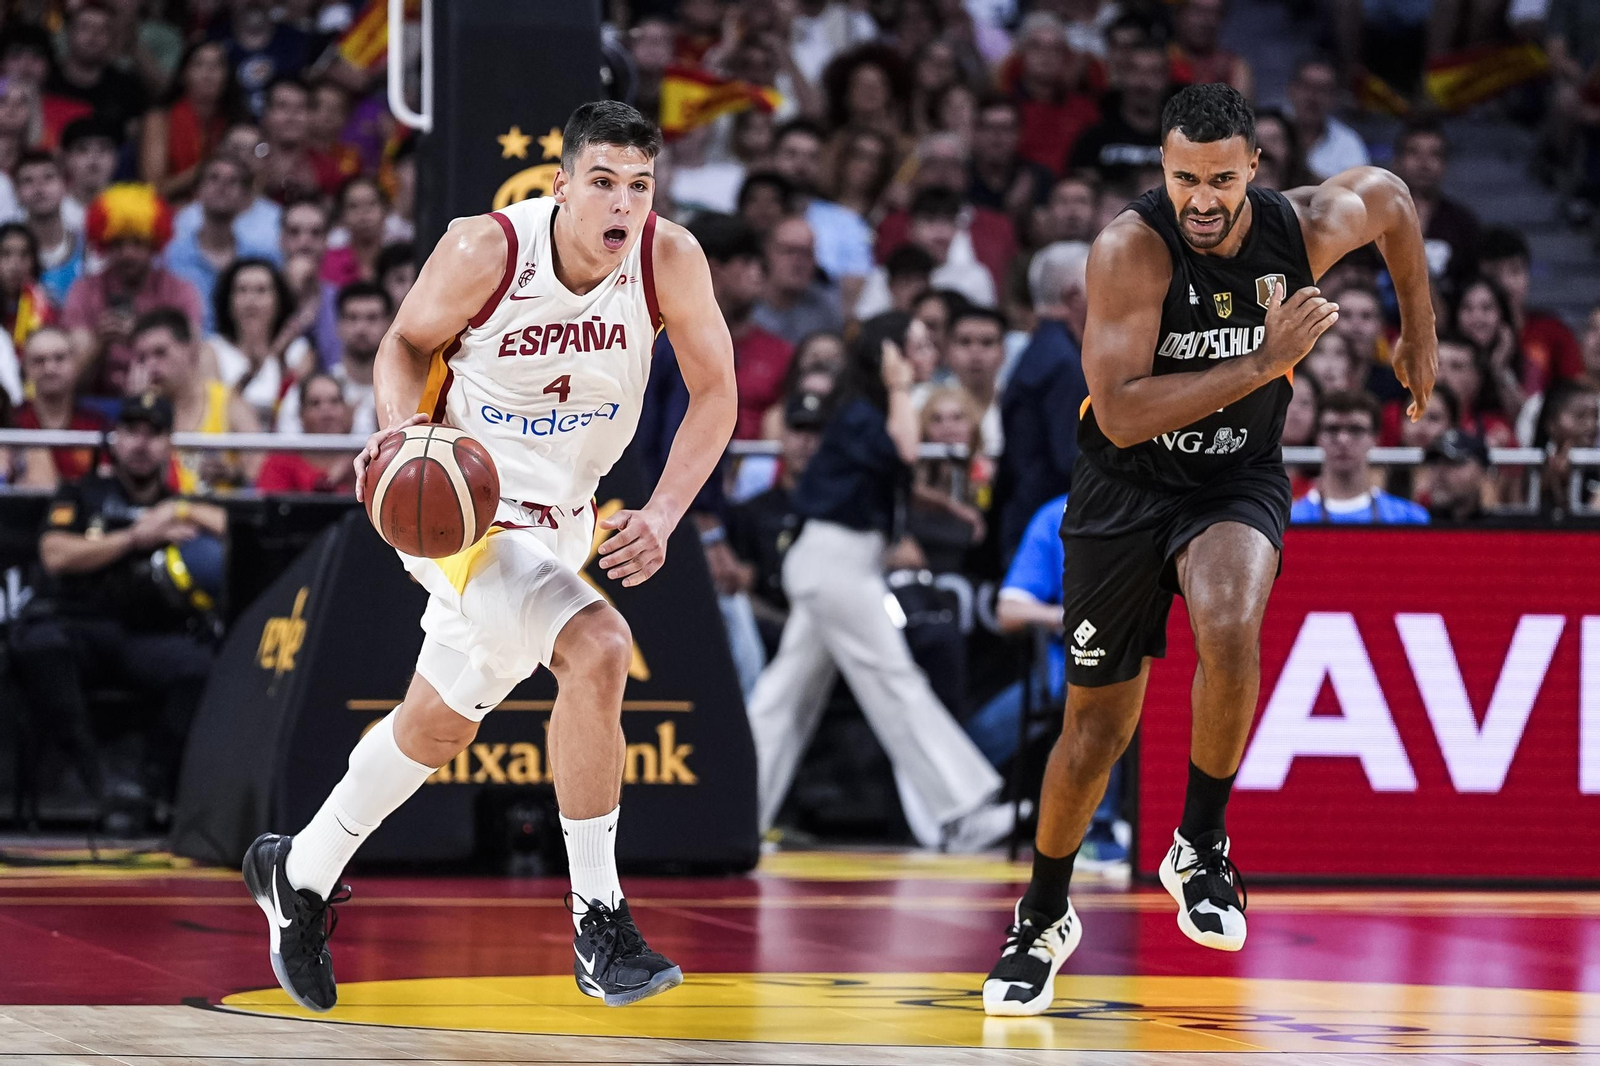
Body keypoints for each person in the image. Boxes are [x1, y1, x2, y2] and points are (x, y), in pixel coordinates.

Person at [241, 101, 735, 1012]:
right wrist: (402, 444)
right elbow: (403, 344)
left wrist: (664, 515)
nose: (621, 203)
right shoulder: (487, 250)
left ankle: (297, 874)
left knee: (439, 724)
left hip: (563, 518)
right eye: (602, 182)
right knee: (600, 649)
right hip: (461, 511)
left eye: (639, 185)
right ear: (563, 185)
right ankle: (599, 917)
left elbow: (717, 395)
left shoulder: (671, 260)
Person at [983, 84, 1437, 1016]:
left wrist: (1417, 334)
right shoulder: (1128, 251)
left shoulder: (1302, 227)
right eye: (1184, 177)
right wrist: (1265, 366)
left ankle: (1200, 841)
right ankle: (1043, 912)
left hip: (1237, 478)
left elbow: (1390, 196)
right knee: (1094, 733)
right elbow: (1120, 409)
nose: (1201, 197)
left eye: (1220, 180)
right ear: (1163, 167)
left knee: (1231, 624)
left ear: (1254, 172)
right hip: (1123, 488)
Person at [742, 312, 1013, 853]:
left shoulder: (865, 413)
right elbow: (908, 451)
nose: (926, 351)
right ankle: (962, 812)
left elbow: (895, 475)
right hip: (833, 561)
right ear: (885, 354)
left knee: (782, 700)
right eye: (914, 344)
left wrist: (945, 508)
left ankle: (732, 814)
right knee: (896, 683)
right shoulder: (869, 410)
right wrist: (898, 387)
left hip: (834, 561)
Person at [13, 391, 225, 822]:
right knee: (37, 645)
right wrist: (134, 538)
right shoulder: (82, 493)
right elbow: (54, 553)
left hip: (146, 635)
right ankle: (92, 778)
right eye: (131, 431)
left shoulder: (179, 505)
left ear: (169, 443)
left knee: (202, 666)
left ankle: (150, 785)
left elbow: (231, 530)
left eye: (153, 433)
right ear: (114, 439)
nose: (141, 443)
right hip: (80, 627)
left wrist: (181, 509)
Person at [996, 241, 1090, 561]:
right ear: (1074, 296)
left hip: (1029, 519)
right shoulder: (1063, 364)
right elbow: (1073, 459)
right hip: (1046, 536)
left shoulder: (1043, 351)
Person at [62, 184, 204, 397]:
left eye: (137, 243)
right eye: (117, 244)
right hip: (96, 402)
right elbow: (69, 377)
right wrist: (99, 342)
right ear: (104, 246)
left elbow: (192, 355)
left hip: (166, 400)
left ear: (154, 244)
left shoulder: (180, 290)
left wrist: (140, 339)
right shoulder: (84, 290)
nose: (127, 253)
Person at [128, 307, 261, 491]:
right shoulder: (142, 409)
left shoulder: (227, 401)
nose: (150, 365)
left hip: (217, 513)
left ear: (190, 349)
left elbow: (260, 467)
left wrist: (232, 473)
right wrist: (137, 409)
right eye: (142, 358)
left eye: (160, 353)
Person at [164, 154, 281, 331]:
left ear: (245, 196)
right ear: (198, 190)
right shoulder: (170, 256)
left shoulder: (262, 258)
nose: (222, 186)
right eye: (213, 178)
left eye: (233, 181)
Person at [1290, 390, 1429, 523]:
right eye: (1332, 429)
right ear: (1317, 437)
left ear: (1376, 438)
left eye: (1356, 429)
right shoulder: (1291, 521)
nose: (1343, 440)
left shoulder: (1409, 519)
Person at [274, 281, 389, 435]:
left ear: (389, 324)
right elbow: (286, 447)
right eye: (352, 318)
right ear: (338, 324)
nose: (362, 328)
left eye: (372, 318)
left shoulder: (403, 391)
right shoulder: (306, 391)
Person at [208, 257, 308, 426]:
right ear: (228, 300)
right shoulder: (212, 350)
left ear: (279, 300)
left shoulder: (299, 351)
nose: (251, 299)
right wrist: (250, 374)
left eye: (261, 290)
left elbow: (301, 411)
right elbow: (212, 413)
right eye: (242, 290)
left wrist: (278, 358)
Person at [7, 325, 106, 489]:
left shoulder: (95, 424)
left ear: (74, 363)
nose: (50, 368)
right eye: (39, 360)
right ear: (26, 367)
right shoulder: (11, 421)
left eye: (59, 358)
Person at [139, 41, 238, 202]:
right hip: (173, 209)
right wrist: (205, 168)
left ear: (227, 75)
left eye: (217, 65)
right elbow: (153, 189)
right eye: (199, 64)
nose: (208, 73)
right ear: (183, 74)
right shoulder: (161, 119)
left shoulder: (236, 121)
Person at [1388, 119, 1479, 284]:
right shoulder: (1375, 220)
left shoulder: (1463, 223)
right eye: (1413, 152)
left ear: (1445, 164)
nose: (1424, 164)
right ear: (1397, 161)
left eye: (1434, 154)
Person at [255, 372, 358, 493]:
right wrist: (330, 480)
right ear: (301, 414)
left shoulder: (366, 459)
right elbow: (270, 509)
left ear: (347, 410)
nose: (327, 412)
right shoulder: (280, 462)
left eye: (335, 401)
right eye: (315, 403)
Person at [751, 215, 843, 345]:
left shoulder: (826, 310)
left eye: (806, 253)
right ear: (767, 253)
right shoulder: (745, 304)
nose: (798, 262)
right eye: (789, 251)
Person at [16, 150, 87, 305]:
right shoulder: (5, 249)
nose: (38, 188)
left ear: (65, 186)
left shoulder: (87, 246)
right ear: (17, 193)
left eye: (48, 177)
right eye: (28, 180)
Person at [1286, 55, 1370, 181]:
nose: (1312, 97)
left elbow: (1357, 192)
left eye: (1322, 89)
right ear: (1291, 89)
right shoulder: (1266, 130)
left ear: (1335, 97)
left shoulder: (1349, 143)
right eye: (1306, 86)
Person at [1421, 428, 1492, 522]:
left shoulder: (1503, 532)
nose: (1439, 471)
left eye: (1454, 463)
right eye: (1435, 462)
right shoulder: (1410, 527)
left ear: (1483, 474)